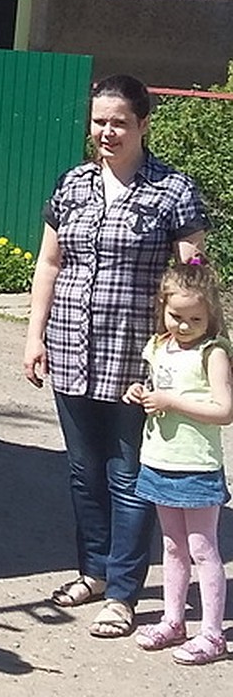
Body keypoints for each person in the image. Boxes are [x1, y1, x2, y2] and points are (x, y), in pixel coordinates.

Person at [23, 74, 209, 640]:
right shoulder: (72, 185)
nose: (106, 132)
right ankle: (94, 573)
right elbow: (49, 263)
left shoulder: (173, 191)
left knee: (130, 475)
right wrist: (34, 336)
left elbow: (192, 278)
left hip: (138, 362)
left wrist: (194, 350)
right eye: (99, 121)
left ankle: (124, 594)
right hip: (71, 350)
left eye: (119, 122)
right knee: (84, 473)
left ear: (143, 124)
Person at [123, 258, 232, 664]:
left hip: (197, 465)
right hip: (159, 459)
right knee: (171, 546)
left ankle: (212, 633)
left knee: (203, 549)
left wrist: (171, 403)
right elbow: (159, 388)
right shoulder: (158, 346)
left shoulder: (213, 353)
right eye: (176, 316)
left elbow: (224, 410)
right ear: (162, 308)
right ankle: (174, 620)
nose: (184, 326)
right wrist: (140, 392)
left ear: (211, 315)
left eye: (195, 318)